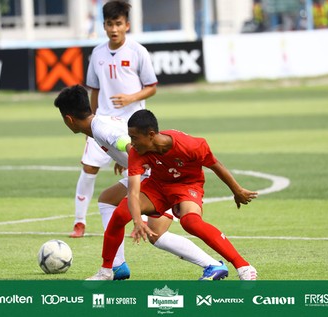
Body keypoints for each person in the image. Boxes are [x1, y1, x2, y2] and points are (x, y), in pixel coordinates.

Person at [55, 85, 231, 280]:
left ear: (68, 119)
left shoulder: (100, 128)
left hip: (156, 177)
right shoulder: (101, 122)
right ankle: (117, 265)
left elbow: (127, 143)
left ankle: (212, 265)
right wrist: (122, 161)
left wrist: (132, 160)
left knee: (156, 234)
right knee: (107, 200)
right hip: (151, 172)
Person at [87, 109, 259, 281]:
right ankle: (106, 271)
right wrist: (137, 220)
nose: (132, 143)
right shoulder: (137, 152)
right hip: (157, 185)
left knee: (191, 222)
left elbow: (215, 165)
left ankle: (243, 266)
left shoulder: (191, 145)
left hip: (187, 185)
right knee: (120, 213)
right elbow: (133, 190)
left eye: (135, 137)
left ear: (151, 135)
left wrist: (237, 190)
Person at [70, 1, 157, 239]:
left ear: (127, 25)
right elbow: (95, 91)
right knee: (89, 167)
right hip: (104, 121)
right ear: (104, 25)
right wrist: (91, 123)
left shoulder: (138, 51)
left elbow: (151, 87)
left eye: (118, 23)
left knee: (141, 169)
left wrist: (131, 97)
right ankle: (79, 222)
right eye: (109, 24)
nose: (114, 29)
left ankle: (145, 218)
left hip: (133, 124)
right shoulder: (97, 53)